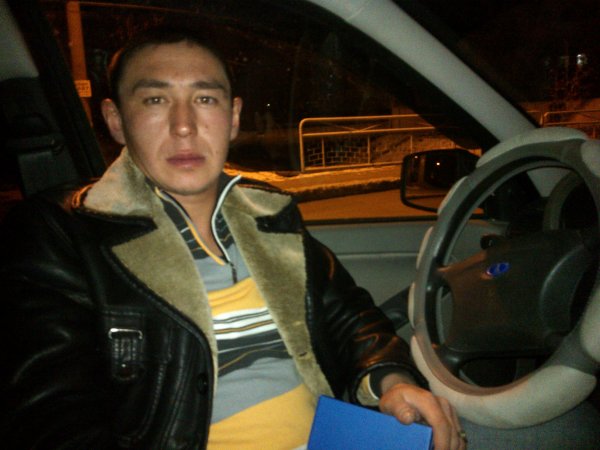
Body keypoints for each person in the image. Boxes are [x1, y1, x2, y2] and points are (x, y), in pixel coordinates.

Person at [0, 28, 465, 449]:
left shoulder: (268, 214)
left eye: (205, 99)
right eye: (155, 100)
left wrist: (391, 380)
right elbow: (52, 416)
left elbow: (349, 316)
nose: (184, 126)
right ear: (116, 120)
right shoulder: (62, 233)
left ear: (234, 116)